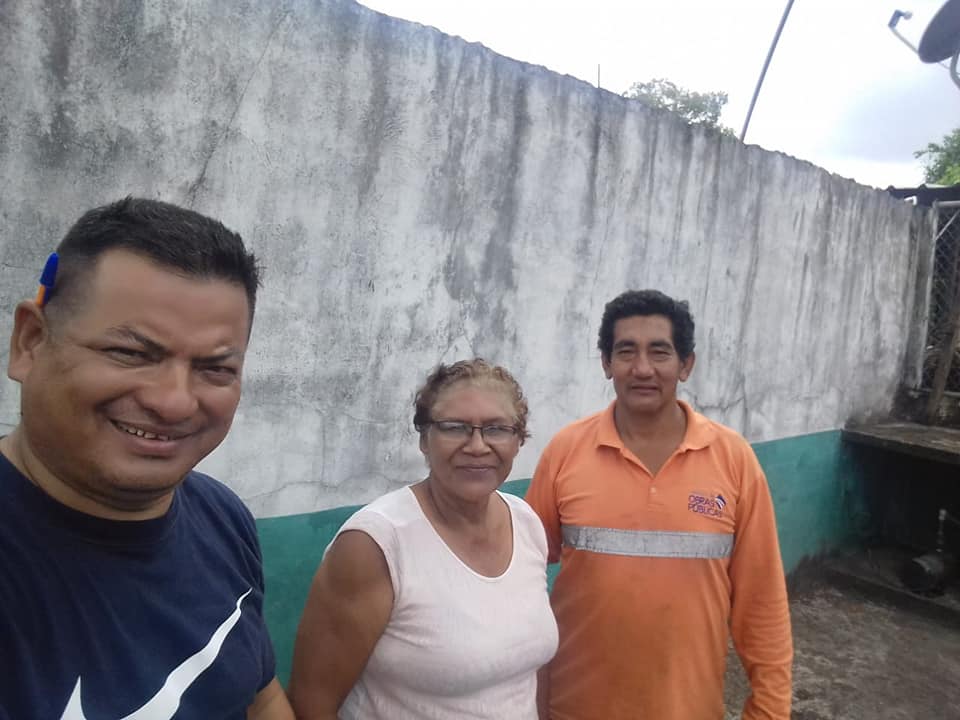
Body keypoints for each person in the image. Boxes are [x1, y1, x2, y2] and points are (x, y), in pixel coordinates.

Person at [0, 198, 294, 719]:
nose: (174, 402)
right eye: (131, 354)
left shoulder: (221, 517)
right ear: (31, 342)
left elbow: (260, 694)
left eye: (215, 368)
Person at [526, 289, 793, 720]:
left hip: (688, 709)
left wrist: (770, 710)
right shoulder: (566, 452)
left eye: (660, 352)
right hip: (573, 708)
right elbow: (522, 574)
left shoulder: (733, 459)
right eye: (626, 351)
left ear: (686, 364)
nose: (642, 368)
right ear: (606, 363)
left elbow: (762, 602)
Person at [289, 359, 558, 719]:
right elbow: (311, 702)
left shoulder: (525, 522)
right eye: (454, 427)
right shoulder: (375, 544)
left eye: (496, 429)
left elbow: (531, 670)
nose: (477, 446)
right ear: (423, 440)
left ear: (518, 440)